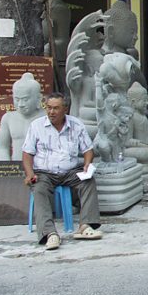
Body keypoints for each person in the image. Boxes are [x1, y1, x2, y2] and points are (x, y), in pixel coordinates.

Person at [22, 92, 101, 250]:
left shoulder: (76, 125)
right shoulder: (36, 126)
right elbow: (27, 154)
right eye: (49, 108)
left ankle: (85, 226)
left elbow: (88, 150)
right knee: (39, 189)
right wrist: (30, 173)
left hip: (70, 171)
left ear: (65, 109)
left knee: (88, 181)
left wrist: (87, 164)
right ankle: (49, 234)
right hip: (45, 172)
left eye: (56, 108)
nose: (51, 112)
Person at [0, 73, 46, 161]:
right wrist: (5, 167)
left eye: (25, 99)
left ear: (39, 98)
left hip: (42, 169)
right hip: (15, 168)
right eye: (17, 99)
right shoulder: (8, 118)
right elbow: (2, 147)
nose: (21, 104)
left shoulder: (47, 118)